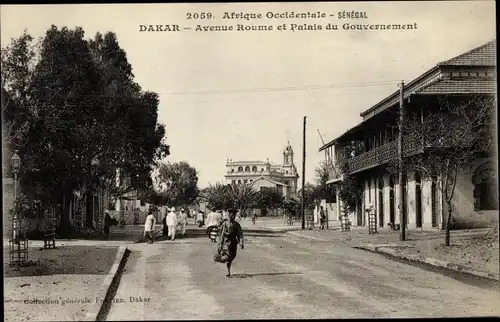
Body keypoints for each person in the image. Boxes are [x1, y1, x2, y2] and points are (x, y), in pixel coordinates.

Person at [214, 208, 244, 277]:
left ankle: (228, 269)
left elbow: (240, 234)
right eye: (229, 214)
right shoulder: (225, 224)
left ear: (234, 215)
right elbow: (221, 234)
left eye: (231, 214)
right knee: (227, 257)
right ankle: (227, 270)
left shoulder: (236, 225)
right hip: (226, 243)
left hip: (233, 243)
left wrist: (241, 242)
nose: (230, 215)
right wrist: (220, 244)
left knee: (231, 257)